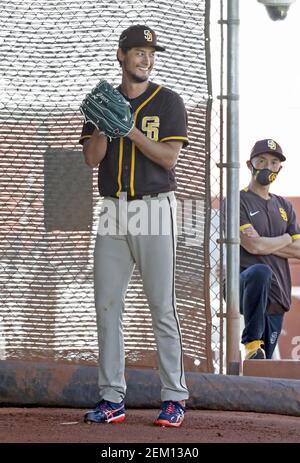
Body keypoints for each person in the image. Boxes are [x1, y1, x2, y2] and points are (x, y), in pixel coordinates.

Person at [79, 25, 189, 427]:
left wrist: (130, 130)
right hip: (112, 210)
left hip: (155, 208)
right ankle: (112, 398)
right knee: (107, 306)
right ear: (121, 56)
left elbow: (168, 158)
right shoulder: (102, 103)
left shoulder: (169, 101)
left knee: (162, 307)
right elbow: (92, 160)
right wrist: (107, 127)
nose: (145, 57)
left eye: (150, 52)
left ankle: (175, 396)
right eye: (138, 51)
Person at [239, 139, 300, 360]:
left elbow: (299, 250)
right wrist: (285, 238)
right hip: (244, 288)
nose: (268, 166)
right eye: (261, 161)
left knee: (262, 366)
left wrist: (265, 243)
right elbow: (251, 245)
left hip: (277, 298)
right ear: (250, 164)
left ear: (279, 168)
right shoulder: (238, 200)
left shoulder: (284, 206)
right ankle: (251, 343)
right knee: (260, 272)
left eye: (274, 162)